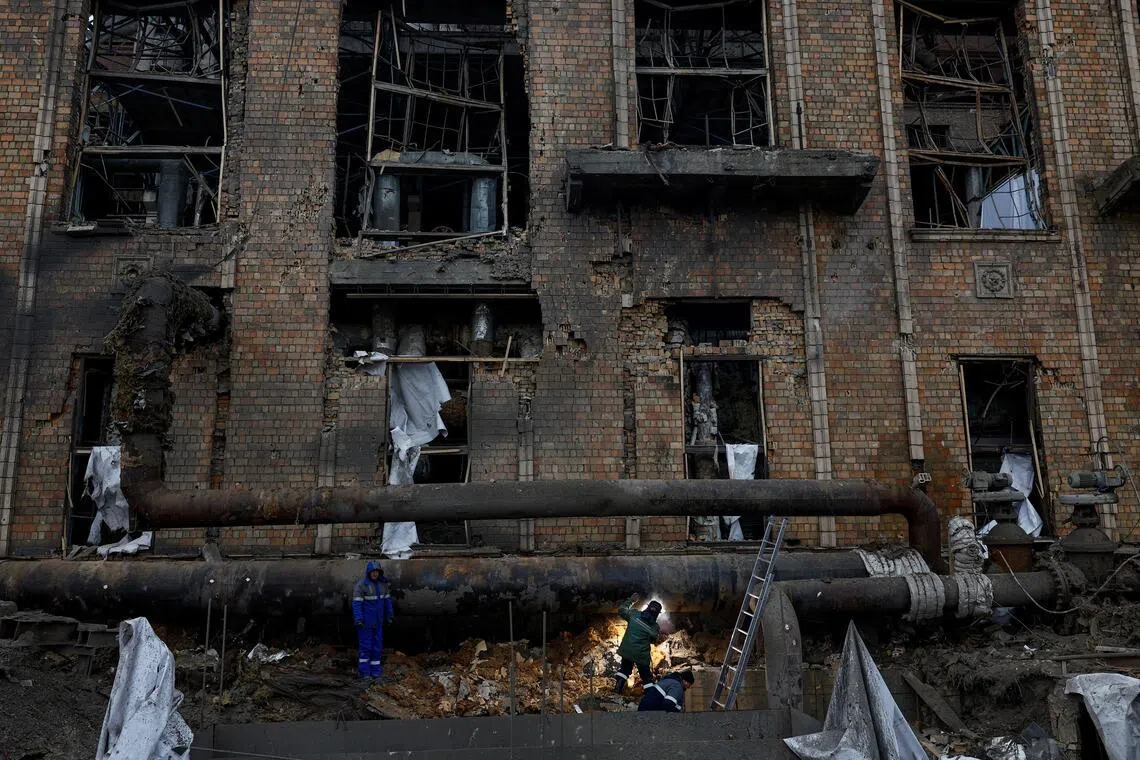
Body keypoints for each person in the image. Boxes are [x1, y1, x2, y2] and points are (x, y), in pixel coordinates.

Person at [352, 561, 394, 679]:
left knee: (377, 647)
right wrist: (359, 619)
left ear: (379, 573)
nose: (375, 574)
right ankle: (364, 673)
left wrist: (389, 616)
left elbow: (387, 602)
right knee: (366, 647)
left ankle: (375, 672)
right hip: (366, 623)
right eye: (373, 572)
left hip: (378, 623)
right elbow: (356, 604)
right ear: (369, 572)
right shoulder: (362, 585)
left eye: (377, 572)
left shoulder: (382, 585)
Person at [613, 595, 661, 694]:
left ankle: (617, 689)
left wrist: (631, 600)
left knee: (624, 670)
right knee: (646, 676)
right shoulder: (654, 627)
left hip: (627, 650)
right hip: (641, 655)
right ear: (657, 614)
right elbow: (653, 640)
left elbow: (621, 610)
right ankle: (649, 695)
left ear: (647, 607)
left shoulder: (634, 614)